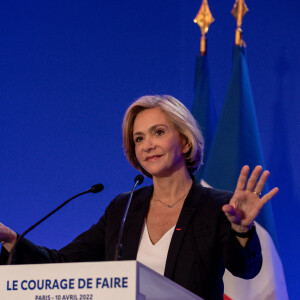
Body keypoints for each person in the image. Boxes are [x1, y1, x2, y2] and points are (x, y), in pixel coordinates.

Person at [0, 95, 278, 300]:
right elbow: (64, 263)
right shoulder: (124, 207)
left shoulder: (217, 206)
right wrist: (13, 240)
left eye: (158, 132)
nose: (148, 145)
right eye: (139, 138)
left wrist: (242, 230)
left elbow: (245, 271)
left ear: (184, 140)